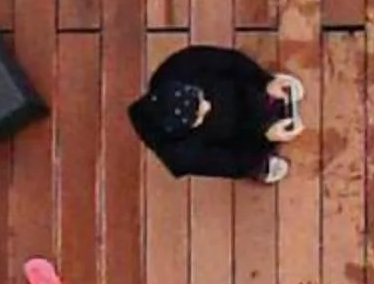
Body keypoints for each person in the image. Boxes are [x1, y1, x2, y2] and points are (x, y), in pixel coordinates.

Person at [128, 45, 306, 183]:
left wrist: (263, 81)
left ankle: (269, 96)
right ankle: (261, 165)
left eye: (200, 97)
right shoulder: (181, 155)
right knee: (248, 162)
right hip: (235, 138)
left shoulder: (178, 66)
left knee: (248, 86)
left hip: (237, 93)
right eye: (199, 115)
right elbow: (233, 164)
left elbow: (230, 61)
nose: (207, 105)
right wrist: (266, 138)